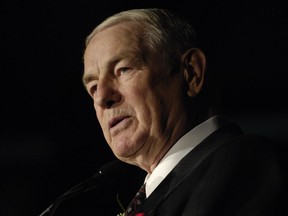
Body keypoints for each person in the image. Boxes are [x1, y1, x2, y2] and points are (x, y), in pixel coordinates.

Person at [40, 8, 286, 216]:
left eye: (123, 69)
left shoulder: (245, 163)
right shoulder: (140, 192)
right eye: (93, 87)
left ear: (191, 73)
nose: (102, 97)